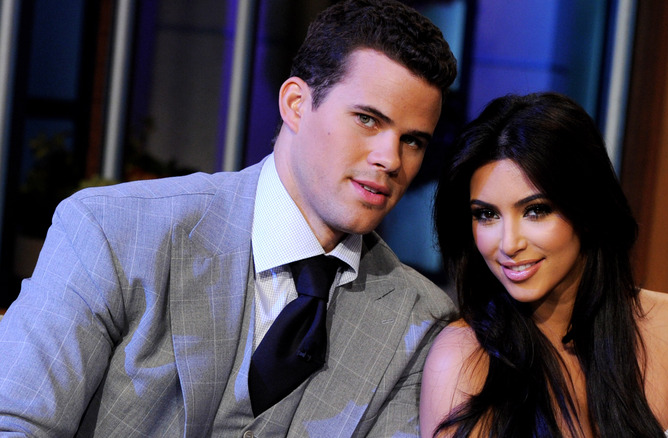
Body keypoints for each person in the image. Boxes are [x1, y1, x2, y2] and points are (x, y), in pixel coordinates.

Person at [0, 0, 457, 436]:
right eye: (368, 120)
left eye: (413, 141)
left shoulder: (420, 323)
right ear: (296, 103)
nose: (391, 159)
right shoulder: (115, 232)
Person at [420, 93, 668, 437]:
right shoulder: (462, 357)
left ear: (588, 209)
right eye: (486, 215)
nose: (508, 244)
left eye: (536, 210)